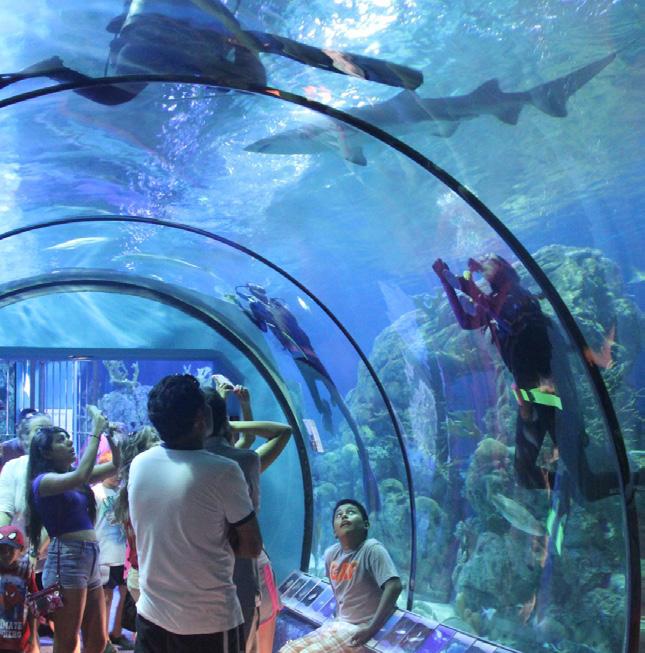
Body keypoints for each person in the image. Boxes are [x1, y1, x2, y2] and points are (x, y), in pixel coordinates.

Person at [432, 254, 629, 503]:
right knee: (525, 475)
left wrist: (458, 279)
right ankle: (568, 489)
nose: (484, 266)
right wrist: (447, 281)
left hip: (555, 401)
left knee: (588, 488)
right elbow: (466, 320)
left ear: (504, 272)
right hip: (533, 401)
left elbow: (493, 309)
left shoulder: (520, 298)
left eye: (490, 263)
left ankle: (630, 480)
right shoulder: (498, 306)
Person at [0, 0, 423, 106]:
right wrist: (237, 32)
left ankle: (53, 71)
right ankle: (52, 70)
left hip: (166, 37)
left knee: (113, 96)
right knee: (260, 63)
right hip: (161, 33)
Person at [128, 374, 263, 652]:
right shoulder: (223, 471)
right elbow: (252, 546)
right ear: (201, 418)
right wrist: (216, 538)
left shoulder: (140, 464)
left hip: (152, 617)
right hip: (209, 622)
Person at [203, 379, 291, 653]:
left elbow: (243, 444)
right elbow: (281, 432)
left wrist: (227, 411)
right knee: (248, 635)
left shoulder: (190, 463)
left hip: (208, 571)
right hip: (245, 567)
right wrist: (236, 417)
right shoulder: (244, 463)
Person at [25, 406, 120, 653]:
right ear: (45, 452)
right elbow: (80, 475)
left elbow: (115, 466)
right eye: (61, 440)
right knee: (67, 641)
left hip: (89, 558)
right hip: (67, 559)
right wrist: (96, 431)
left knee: (98, 640)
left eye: (68, 438)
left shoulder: (75, 479)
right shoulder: (43, 482)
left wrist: (109, 437)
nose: (69, 442)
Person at [279, 499, 402, 653]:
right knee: (287, 649)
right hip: (338, 624)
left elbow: (394, 586)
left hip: (359, 628)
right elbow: (338, 592)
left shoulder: (372, 549)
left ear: (366, 524)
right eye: (339, 515)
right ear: (334, 532)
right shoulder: (331, 554)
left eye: (351, 512)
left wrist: (371, 628)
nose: (344, 516)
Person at [92, 471, 132, 650]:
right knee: (105, 598)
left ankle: (116, 632)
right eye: (112, 472)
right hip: (104, 553)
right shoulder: (96, 492)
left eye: (118, 472)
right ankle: (103, 638)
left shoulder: (122, 492)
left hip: (123, 553)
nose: (116, 476)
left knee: (123, 594)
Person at [0, 525, 38, 653]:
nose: (5, 553)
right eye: (1, 549)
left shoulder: (26, 572)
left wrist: (33, 637)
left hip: (20, 641)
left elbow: (33, 606)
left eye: (10, 549)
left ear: (21, 549)